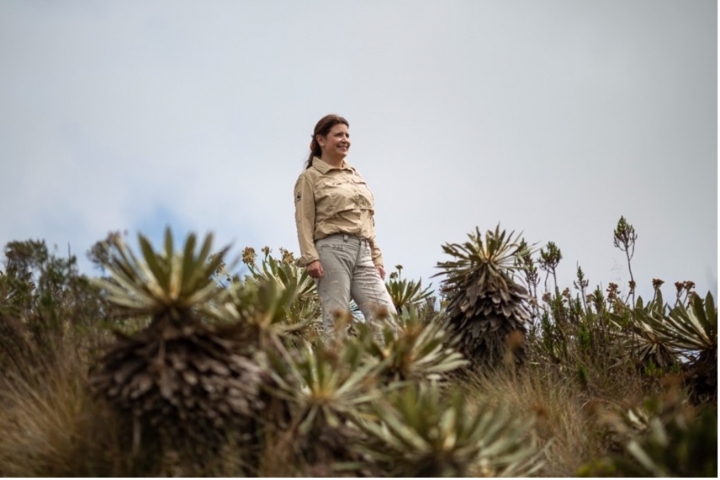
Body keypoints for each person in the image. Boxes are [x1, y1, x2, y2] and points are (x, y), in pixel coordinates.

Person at [293, 114, 396, 339]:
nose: (345, 139)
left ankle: (385, 371)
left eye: (347, 135)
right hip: (331, 250)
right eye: (338, 134)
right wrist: (310, 257)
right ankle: (337, 373)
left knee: (386, 317)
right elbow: (304, 219)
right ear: (321, 140)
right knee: (337, 320)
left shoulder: (355, 175)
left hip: (364, 253)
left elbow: (368, 220)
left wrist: (376, 257)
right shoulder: (309, 177)